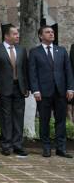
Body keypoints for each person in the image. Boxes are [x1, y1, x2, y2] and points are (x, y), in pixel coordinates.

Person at [29, 25, 74, 158]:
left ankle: (61, 148)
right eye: (47, 32)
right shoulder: (35, 52)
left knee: (61, 120)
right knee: (44, 120)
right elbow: (32, 73)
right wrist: (35, 90)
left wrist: (70, 88)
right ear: (40, 36)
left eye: (52, 32)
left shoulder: (61, 50)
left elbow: (68, 71)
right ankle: (46, 147)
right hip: (43, 92)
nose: (51, 34)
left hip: (60, 92)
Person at [0, 24, 29, 156]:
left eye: (18, 33)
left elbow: (25, 70)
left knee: (19, 117)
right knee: (5, 117)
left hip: (19, 88)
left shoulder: (22, 50)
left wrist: (26, 87)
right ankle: (6, 145)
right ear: (7, 36)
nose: (17, 35)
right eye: (15, 34)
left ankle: (18, 145)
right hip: (3, 88)